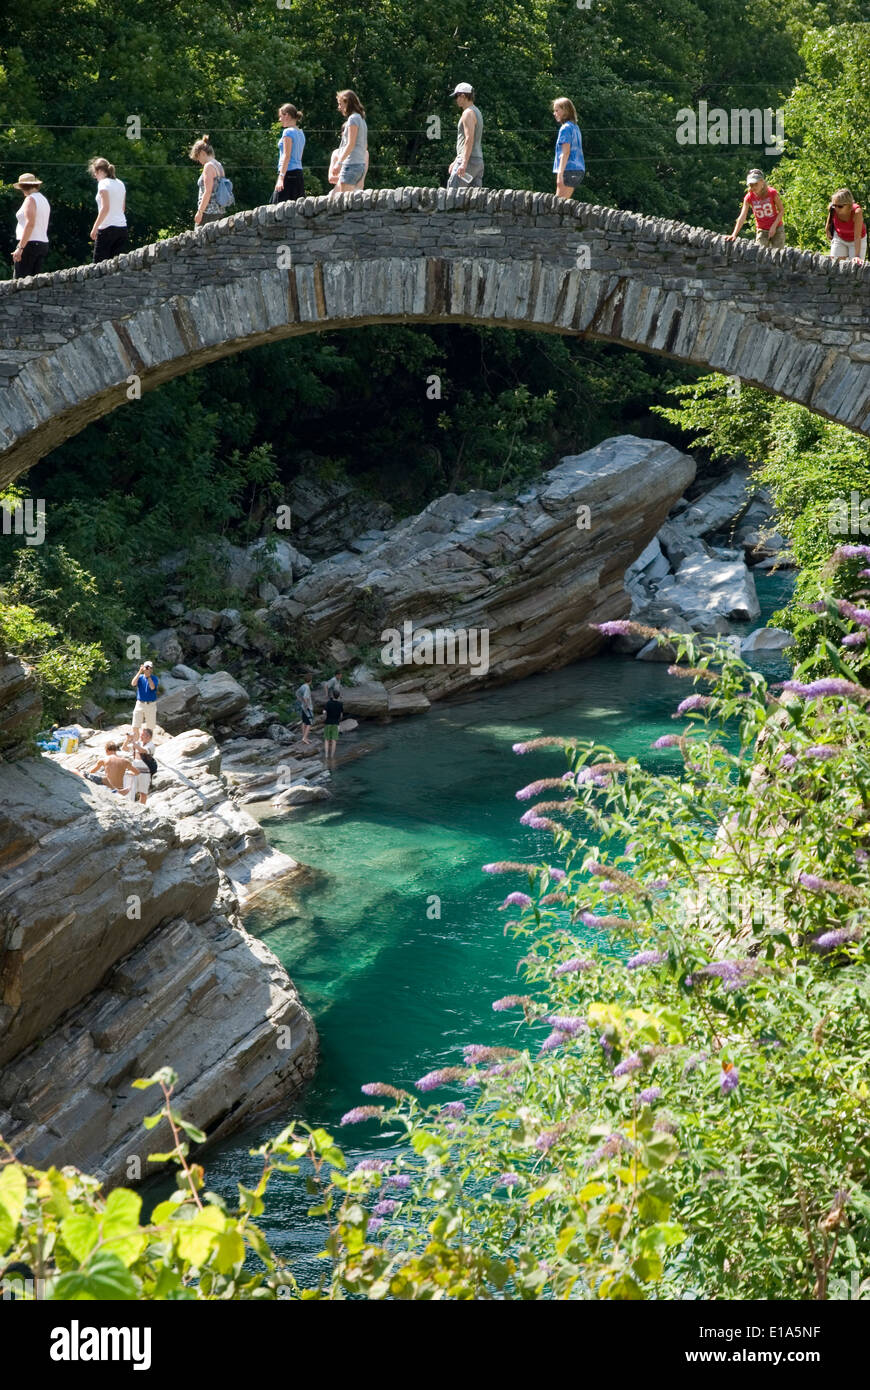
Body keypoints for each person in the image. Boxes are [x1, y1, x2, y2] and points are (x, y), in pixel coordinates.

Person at [726, 170, 785, 250]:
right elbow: (742, 216)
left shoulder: (772, 193)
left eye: (756, 184)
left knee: (778, 254)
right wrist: (734, 234)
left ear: (762, 182)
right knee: (760, 253)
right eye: (751, 185)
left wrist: (774, 227)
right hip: (762, 230)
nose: (753, 187)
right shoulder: (749, 197)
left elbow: (781, 211)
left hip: (777, 228)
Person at [87, 157, 128, 263]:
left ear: (100, 171)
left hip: (107, 229)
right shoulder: (120, 183)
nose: (95, 176)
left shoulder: (103, 183)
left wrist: (95, 228)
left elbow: (105, 208)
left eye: (95, 173)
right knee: (116, 267)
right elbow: (122, 208)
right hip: (122, 228)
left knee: (98, 268)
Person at [11, 173, 50, 279]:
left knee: (20, 282)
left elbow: (30, 224)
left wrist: (20, 247)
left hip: (30, 243)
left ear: (23, 186)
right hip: (42, 243)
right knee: (34, 283)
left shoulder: (30, 199)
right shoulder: (43, 199)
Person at [331, 90, 368, 195]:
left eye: (340, 104)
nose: (339, 107)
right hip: (359, 164)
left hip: (351, 165)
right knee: (350, 201)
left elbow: (350, 144)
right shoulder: (361, 119)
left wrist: (339, 163)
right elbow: (365, 145)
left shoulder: (353, 119)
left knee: (344, 201)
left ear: (347, 103)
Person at [447, 83, 484, 189]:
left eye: (456, 96)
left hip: (469, 161)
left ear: (463, 96)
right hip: (478, 162)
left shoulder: (468, 113)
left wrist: (463, 163)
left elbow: (469, 138)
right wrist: (456, 160)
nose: (456, 100)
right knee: (474, 200)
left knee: (452, 194)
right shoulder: (477, 112)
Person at [190, 136, 229, 226]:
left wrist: (200, 212)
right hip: (219, 211)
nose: (199, 161)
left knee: (198, 239)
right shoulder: (219, 165)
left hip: (208, 212)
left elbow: (208, 191)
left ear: (203, 153)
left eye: (198, 157)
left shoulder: (208, 166)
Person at [552, 98, 585, 199]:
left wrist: (560, 175)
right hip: (578, 170)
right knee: (563, 205)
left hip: (568, 170)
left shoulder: (565, 128)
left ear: (565, 111)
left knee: (557, 205)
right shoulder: (575, 127)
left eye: (557, 110)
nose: (554, 113)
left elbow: (565, 153)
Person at [273, 103, 306, 203]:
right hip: (298, 174)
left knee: (275, 209)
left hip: (288, 174)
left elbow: (286, 156)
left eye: (280, 116)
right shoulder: (301, 133)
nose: (279, 120)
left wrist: (281, 178)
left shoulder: (288, 132)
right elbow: (299, 156)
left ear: (286, 115)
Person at [826, 188, 866, 262]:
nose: (837, 208)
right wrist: (827, 230)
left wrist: (857, 256)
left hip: (856, 240)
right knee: (835, 264)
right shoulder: (833, 209)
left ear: (849, 205)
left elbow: (857, 236)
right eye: (835, 205)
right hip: (840, 237)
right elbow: (829, 221)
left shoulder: (857, 212)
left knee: (855, 265)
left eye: (840, 206)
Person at [121, 726, 157, 804]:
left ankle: (142, 807)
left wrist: (133, 741)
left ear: (148, 737)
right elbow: (124, 748)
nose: (140, 736)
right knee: (129, 790)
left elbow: (142, 750)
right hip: (134, 771)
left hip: (145, 772)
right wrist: (128, 739)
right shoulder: (138, 743)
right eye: (141, 734)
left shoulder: (151, 745)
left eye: (142, 735)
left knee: (143, 793)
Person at [130, 660, 159, 734]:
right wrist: (140, 671)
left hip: (150, 705)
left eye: (150, 668)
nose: (148, 669)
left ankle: (148, 743)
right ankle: (135, 742)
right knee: (135, 726)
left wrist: (148, 677)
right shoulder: (140, 677)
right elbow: (133, 683)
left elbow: (152, 687)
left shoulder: (154, 678)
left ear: (152, 669)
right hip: (140, 704)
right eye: (146, 667)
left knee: (150, 727)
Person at [322, 692, 344, 759]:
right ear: (338, 696)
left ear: (333, 696)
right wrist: (338, 720)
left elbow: (324, 712)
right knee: (334, 740)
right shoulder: (340, 704)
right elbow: (341, 715)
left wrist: (324, 716)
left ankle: (326, 755)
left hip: (328, 723)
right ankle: (332, 756)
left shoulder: (328, 703)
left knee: (326, 739)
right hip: (336, 723)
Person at [295, 671, 315, 745]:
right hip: (307, 708)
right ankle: (304, 738)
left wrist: (301, 701)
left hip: (303, 707)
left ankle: (304, 737)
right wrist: (306, 705)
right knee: (309, 723)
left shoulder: (303, 686)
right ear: (310, 680)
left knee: (304, 722)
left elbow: (297, 693)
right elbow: (306, 697)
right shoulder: (307, 688)